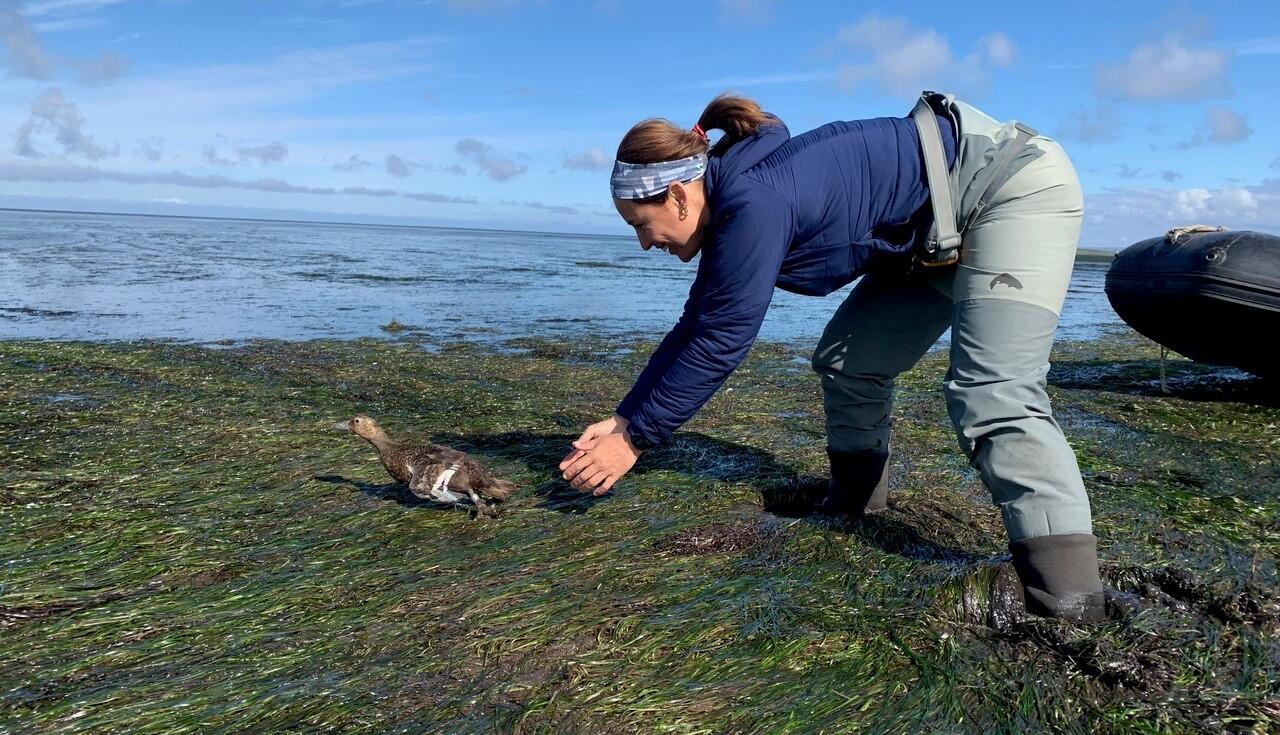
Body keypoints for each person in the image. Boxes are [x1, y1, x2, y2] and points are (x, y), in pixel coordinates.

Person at [558, 91, 1106, 621]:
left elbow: (724, 338)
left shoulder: (753, 202)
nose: (644, 242)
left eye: (639, 224)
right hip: (929, 235)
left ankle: (1071, 600)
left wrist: (635, 442)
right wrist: (626, 415)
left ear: (678, 196)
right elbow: (696, 322)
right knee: (849, 362)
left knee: (994, 396)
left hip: (1009, 189)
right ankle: (856, 505)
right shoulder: (733, 197)